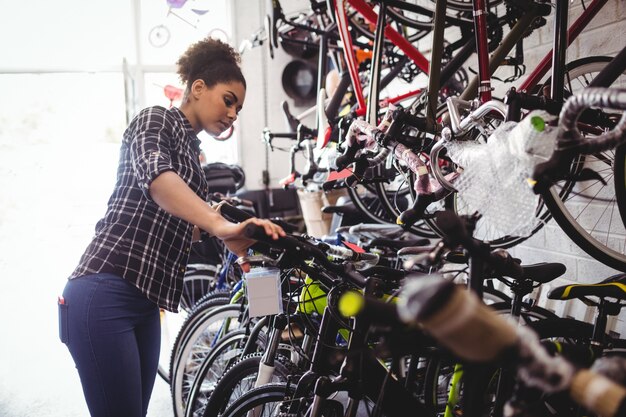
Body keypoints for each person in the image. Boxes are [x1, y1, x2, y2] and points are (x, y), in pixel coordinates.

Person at [58, 37, 285, 417]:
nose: (233, 114)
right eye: (228, 100)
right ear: (198, 88)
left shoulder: (194, 158)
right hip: (104, 292)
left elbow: (186, 226)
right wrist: (217, 222)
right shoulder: (155, 119)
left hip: (145, 305)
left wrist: (239, 240)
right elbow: (158, 180)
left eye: (239, 108)